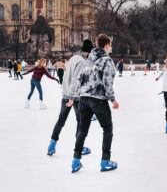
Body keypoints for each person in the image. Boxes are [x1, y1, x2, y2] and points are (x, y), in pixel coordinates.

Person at [71, 34, 119, 173]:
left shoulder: (88, 61)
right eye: (110, 45)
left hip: (84, 99)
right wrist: (113, 99)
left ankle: (75, 160)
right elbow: (107, 82)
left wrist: (78, 95)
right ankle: (105, 160)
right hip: (98, 99)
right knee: (107, 128)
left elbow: (79, 78)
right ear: (106, 46)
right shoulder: (106, 60)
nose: (111, 48)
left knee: (82, 130)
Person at [47, 40, 94, 156]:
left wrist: (66, 93)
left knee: (61, 120)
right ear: (88, 53)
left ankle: (51, 145)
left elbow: (67, 77)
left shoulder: (73, 58)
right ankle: (80, 146)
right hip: (75, 97)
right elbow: (76, 80)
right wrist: (73, 97)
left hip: (66, 94)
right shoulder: (82, 61)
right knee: (81, 121)